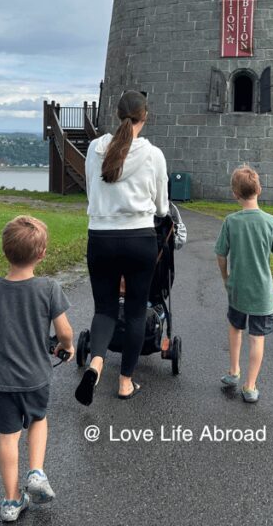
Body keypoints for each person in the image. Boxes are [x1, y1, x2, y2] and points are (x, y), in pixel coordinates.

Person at [76, 90, 168, 404]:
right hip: (139, 238)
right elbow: (162, 206)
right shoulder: (153, 154)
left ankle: (97, 363)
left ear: (117, 114)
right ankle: (125, 381)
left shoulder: (94, 148)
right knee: (135, 312)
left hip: (100, 237)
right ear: (145, 117)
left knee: (104, 309)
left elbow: (91, 191)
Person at [0, 215, 73, 522]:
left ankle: (10, 501)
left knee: (8, 437)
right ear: (42, 253)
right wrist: (67, 345)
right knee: (38, 420)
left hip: (2, 379)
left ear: (4, 250)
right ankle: (36, 471)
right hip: (36, 376)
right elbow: (64, 331)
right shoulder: (49, 288)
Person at [215, 165, 273, 403]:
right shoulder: (271, 222)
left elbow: (220, 254)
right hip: (262, 293)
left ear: (234, 194)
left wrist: (226, 277)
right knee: (257, 338)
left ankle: (234, 370)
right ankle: (250, 386)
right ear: (259, 189)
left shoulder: (231, 221)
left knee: (235, 327)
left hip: (237, 289)